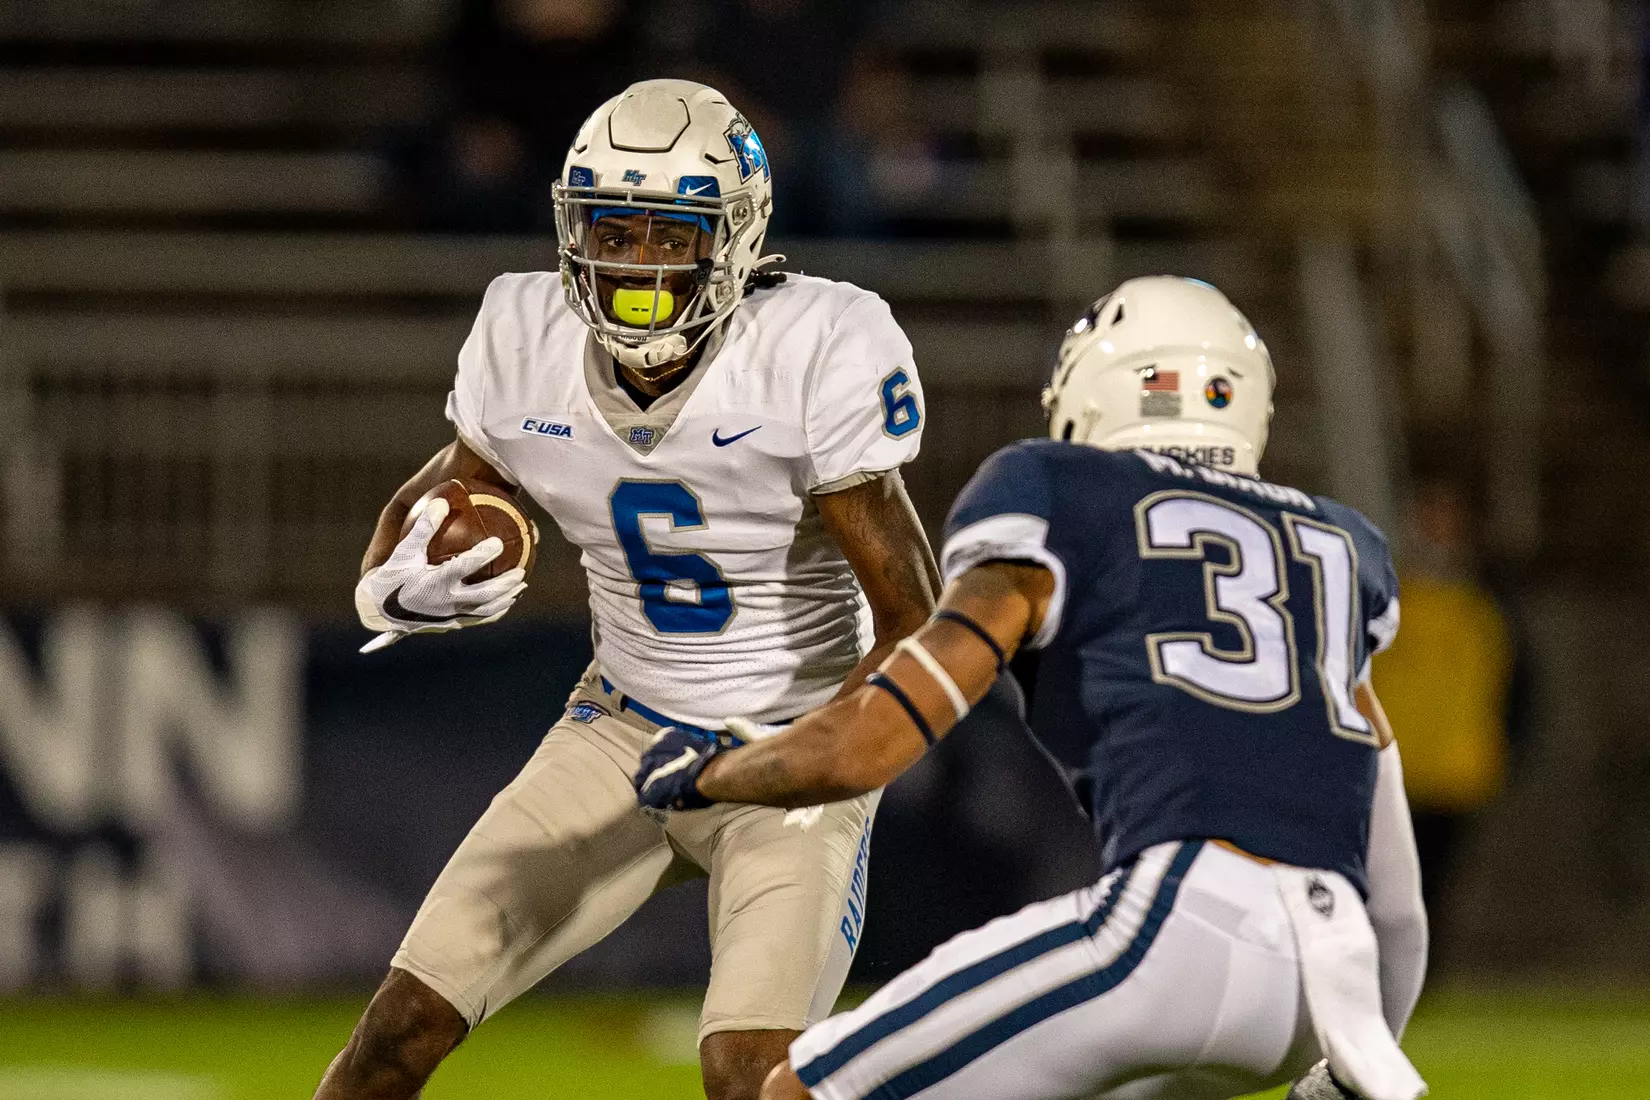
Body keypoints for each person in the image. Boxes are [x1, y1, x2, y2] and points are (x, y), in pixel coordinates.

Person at [637, 277, 1431, 1100]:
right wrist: (1353, 1061)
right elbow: (1399, 903)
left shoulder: (1060, 489)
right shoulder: (1336, 551)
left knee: (801, 1091)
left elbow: (867, 747)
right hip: (1326, 990)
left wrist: (716, 769)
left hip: (1178, 931)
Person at [317, 79, 943, 1100]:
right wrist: (386, 587)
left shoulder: (817, 343)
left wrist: (823, 761)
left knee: (749, 1076)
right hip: (620, 729)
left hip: (789, 739)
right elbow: (444, 496)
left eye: (668, 233)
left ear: (734, 237)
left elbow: (915, 616)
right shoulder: (524, 333)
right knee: (398, 1027)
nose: (635, 261)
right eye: (612, 230)